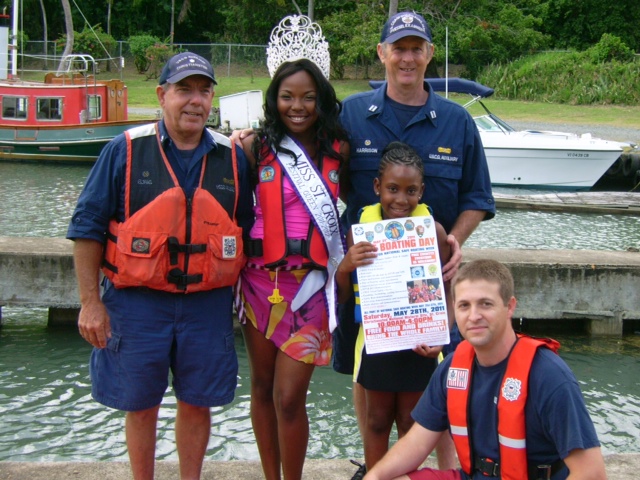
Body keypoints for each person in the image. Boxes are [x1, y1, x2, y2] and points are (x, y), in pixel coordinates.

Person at [67, 52, 254, 480]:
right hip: (136, 304)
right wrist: (90, 303)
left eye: (204, 91)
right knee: (140, 402)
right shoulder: (126, 151)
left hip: (205, 306)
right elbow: (86, 228)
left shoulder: (233, 158)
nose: (195, 101)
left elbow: (245, 231)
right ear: (161, 95)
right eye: (183, 89)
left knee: (197, 401)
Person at [333, 11, 496, 478]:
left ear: (428, 54)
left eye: (415, 48)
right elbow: (309, 155)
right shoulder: (351, 113)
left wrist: (455, 241)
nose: (407, 57)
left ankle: (442, 472)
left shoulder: (457, 121)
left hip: (430, 288)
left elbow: (477, 198)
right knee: (366, 376)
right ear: (382, 53)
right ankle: (374, 466)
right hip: (369, 282)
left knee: (436, 379)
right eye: (398, 48)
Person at [364, 259, 607, 480]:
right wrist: (373, 477)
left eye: (485, 304)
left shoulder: (549, 376)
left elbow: (591, 473)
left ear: (509, 307)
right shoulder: (452, 368)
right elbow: (416, 443)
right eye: (464, 306)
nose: (474, 316)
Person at [234, 54, 349, 479]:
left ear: (321, 100)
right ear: (273, 99)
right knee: (262, 389)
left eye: (307, 97)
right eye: (287, 97)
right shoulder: (254, 147)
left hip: (311, 288)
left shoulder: (340, 150)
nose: (297, 106)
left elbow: (368, 205)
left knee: (289, 397)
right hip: (258, 283)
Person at [335, 141, 452, 472]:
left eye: (411, 190)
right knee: (376, 420)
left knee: (410, 423)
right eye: (392, 189)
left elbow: (448, 292)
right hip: (378, 340)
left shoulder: (435, 232)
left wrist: (442, 338)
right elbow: (343, 297)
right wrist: (345, 266)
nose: (401, 199)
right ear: (377, 188)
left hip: (420, 345)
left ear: (422, 191)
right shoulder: (361, 234)